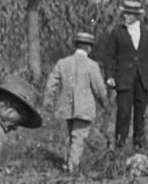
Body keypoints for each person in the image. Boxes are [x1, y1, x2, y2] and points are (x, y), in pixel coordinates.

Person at [98, 0, 148, 151]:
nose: (125, 16)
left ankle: (139, 144)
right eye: (124, 13)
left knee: (141, 113)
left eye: (129, 14)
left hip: (143, 79)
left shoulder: (147, 33)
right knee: (123, 113)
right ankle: (120, 144)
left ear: (136, 16)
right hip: (124, 79)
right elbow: (108, 57)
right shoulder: (117, 32)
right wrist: (109, 76)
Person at [42, 30, 109, 173]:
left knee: (72, 135)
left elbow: (51, 83)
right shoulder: (92, 65)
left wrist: (48, 100)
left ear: (76, 45)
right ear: (89, 47)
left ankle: (69, 162)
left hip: (67, 106)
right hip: (84, 108)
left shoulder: (63, 63)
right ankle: (72, 167)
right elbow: (99, 88)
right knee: (79, 137)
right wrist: (104, 102)